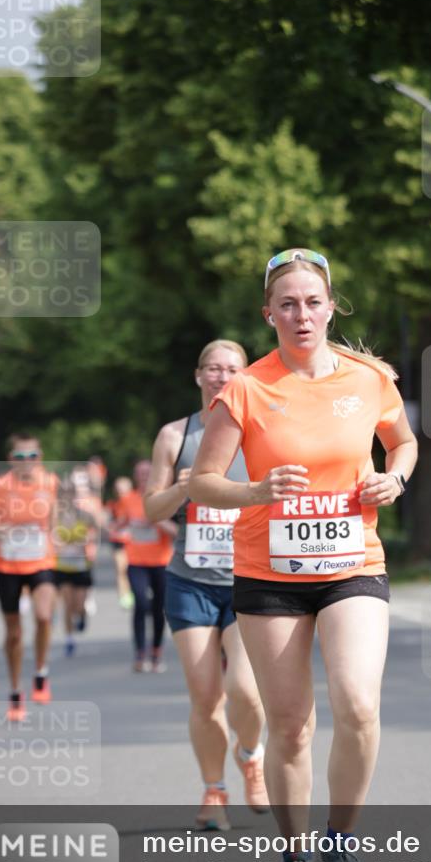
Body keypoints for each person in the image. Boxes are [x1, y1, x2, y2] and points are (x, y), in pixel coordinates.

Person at [189, 249, 418, 862]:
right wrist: (256, 489)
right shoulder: (245, 389)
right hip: (269, 574)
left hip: (352, 564)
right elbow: (203, 482)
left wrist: (393, 478)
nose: (300, 314)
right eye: (285, 304)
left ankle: (339, 851)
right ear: (268, 313)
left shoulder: (368, 377)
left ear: (331, 306)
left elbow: (402, 442)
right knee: (290, 728)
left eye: (311, 302)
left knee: (359, 706)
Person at [144, 340, 269, 831]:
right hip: (190, 581)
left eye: (231, 369)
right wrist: (184, 485)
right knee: (204, 696)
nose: (221, 376)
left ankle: (251, 753)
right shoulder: (176, 435)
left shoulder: (260, 432)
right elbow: (151, 509)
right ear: (198, 376)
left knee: (246, 692)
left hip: (249, 578)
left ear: (245, 377)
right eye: (213, 368)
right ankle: (215, 789)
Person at [0, 433, 59, 720]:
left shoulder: (49, 483)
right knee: (14, 634)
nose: (27, 462)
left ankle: (40, 671)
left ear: (40, 458)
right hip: (8, 565)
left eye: (32, 457)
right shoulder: (0, 486)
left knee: (44, 616)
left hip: (41, 561)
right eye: (21, 457)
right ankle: (15, 691)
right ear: (11, 459)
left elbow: (58, 517)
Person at [114, 460, 174, 672]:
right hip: (136, 561)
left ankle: (156, 650)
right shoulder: (127, 499)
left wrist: (157, 521)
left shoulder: (164, 498)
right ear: (134, 476)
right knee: (140, 603)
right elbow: (117, 525)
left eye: (148, 473)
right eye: (140, 473)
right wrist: (119, 528)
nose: (144, 477)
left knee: (158, 608)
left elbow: (177, 532)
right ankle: (140, 653)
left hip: (161, 562)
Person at [54, 464, 104, 657]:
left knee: (79, 605)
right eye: (64, 492)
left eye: (70, 492)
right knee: (67, 604)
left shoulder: (84, 514)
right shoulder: (55, 515)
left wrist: (90, 540)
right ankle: (69, 639)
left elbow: (99, 529)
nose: (67, 496)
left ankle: (82, 616)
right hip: (62, 564)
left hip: (82, 564)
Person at [105, 476, 134, 608]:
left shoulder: (136, 501)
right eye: (118, 490)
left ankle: (134, 591)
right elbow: (106, 522)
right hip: (118, 540)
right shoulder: (112, 504)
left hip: (133, 541)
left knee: (131, 569)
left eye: (123, 490)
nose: (121, 493)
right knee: (121, 569)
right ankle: (124, 595)